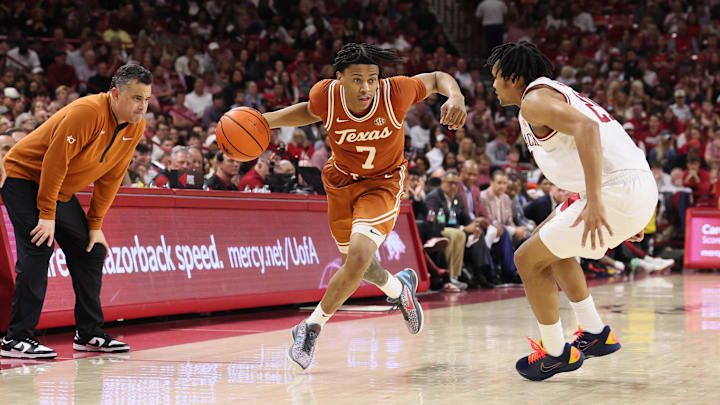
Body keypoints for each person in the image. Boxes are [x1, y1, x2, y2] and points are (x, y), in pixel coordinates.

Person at [261, 43, 466, 370]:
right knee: (357, 266)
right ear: (339, 78)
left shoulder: (395, 91)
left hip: (383, 183)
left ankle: (310, 326)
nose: (367, 87)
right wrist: (264, 121)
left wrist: (455, 97)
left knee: (357, 258)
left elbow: (439, 77)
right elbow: (309, 110)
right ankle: (400, 288)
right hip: (340, 181)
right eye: (357, 79)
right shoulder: (325, 95)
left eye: (372, 79)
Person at [487, 41, 656, 380]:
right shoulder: (550, 96)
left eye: (496, 77)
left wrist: (596, 199)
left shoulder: (535, 100)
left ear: (515, 77)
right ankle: (595, 334)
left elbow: (587, 128)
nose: (492, 85)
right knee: (545, 244)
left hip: (614, 190)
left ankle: (555, 353)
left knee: (525, 259)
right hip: (630, 188)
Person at [0, 64, 152, 359]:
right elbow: (54, 163)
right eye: (136, 98)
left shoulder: (136, 126)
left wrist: (95, 224)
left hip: (58, 189)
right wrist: (47, 216)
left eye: (146, 99)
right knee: (39, 245)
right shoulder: (87, 112)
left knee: (91, 250)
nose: (142, 106)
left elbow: (112, 176)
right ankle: (16, 339)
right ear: (115, 94)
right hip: (23, 176)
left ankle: (89, 333)